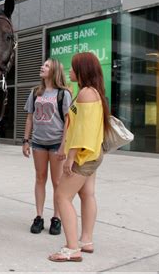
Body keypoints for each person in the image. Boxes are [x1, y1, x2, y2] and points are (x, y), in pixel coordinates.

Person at [48, 52, 110, 262]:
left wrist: (70, 157)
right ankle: (86, 240)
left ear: (82, 70)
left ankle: (72, 248)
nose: (70, 71)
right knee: (87, 195)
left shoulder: (86, 94)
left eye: (73, 68)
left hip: (83, 155)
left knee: (62, 197)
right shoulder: (93, 92)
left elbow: (83, 130)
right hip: (92, 153)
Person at [22, 58, 71, 236]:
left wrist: (64, 145)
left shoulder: (63, 94)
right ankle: (39, 216)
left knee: (57, 182)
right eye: (42, 64)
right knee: (40, 178)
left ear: (55, 70)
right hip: (38, 143)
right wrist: (25, 140)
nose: (42, 67)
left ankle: (56, 218)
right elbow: (29, 117)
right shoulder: (36, 92)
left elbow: (68, 121)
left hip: (57, 143)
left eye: (46, 65)